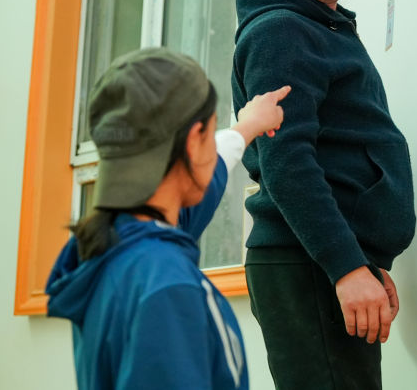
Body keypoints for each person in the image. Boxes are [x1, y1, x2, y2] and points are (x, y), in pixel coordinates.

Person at [231, 0, 416, 389]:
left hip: (326, 261)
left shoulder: (321, 26)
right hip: (309, 264)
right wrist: (345, 267)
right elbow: (287, 161)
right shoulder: (282, 31)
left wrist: (363, 260)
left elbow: (339, 148)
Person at [46, 47, 290, 390]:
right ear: (193, 141)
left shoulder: (111, 251)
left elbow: (200, 180)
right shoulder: (167, 287)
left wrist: (246, 127)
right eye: (210, 132)